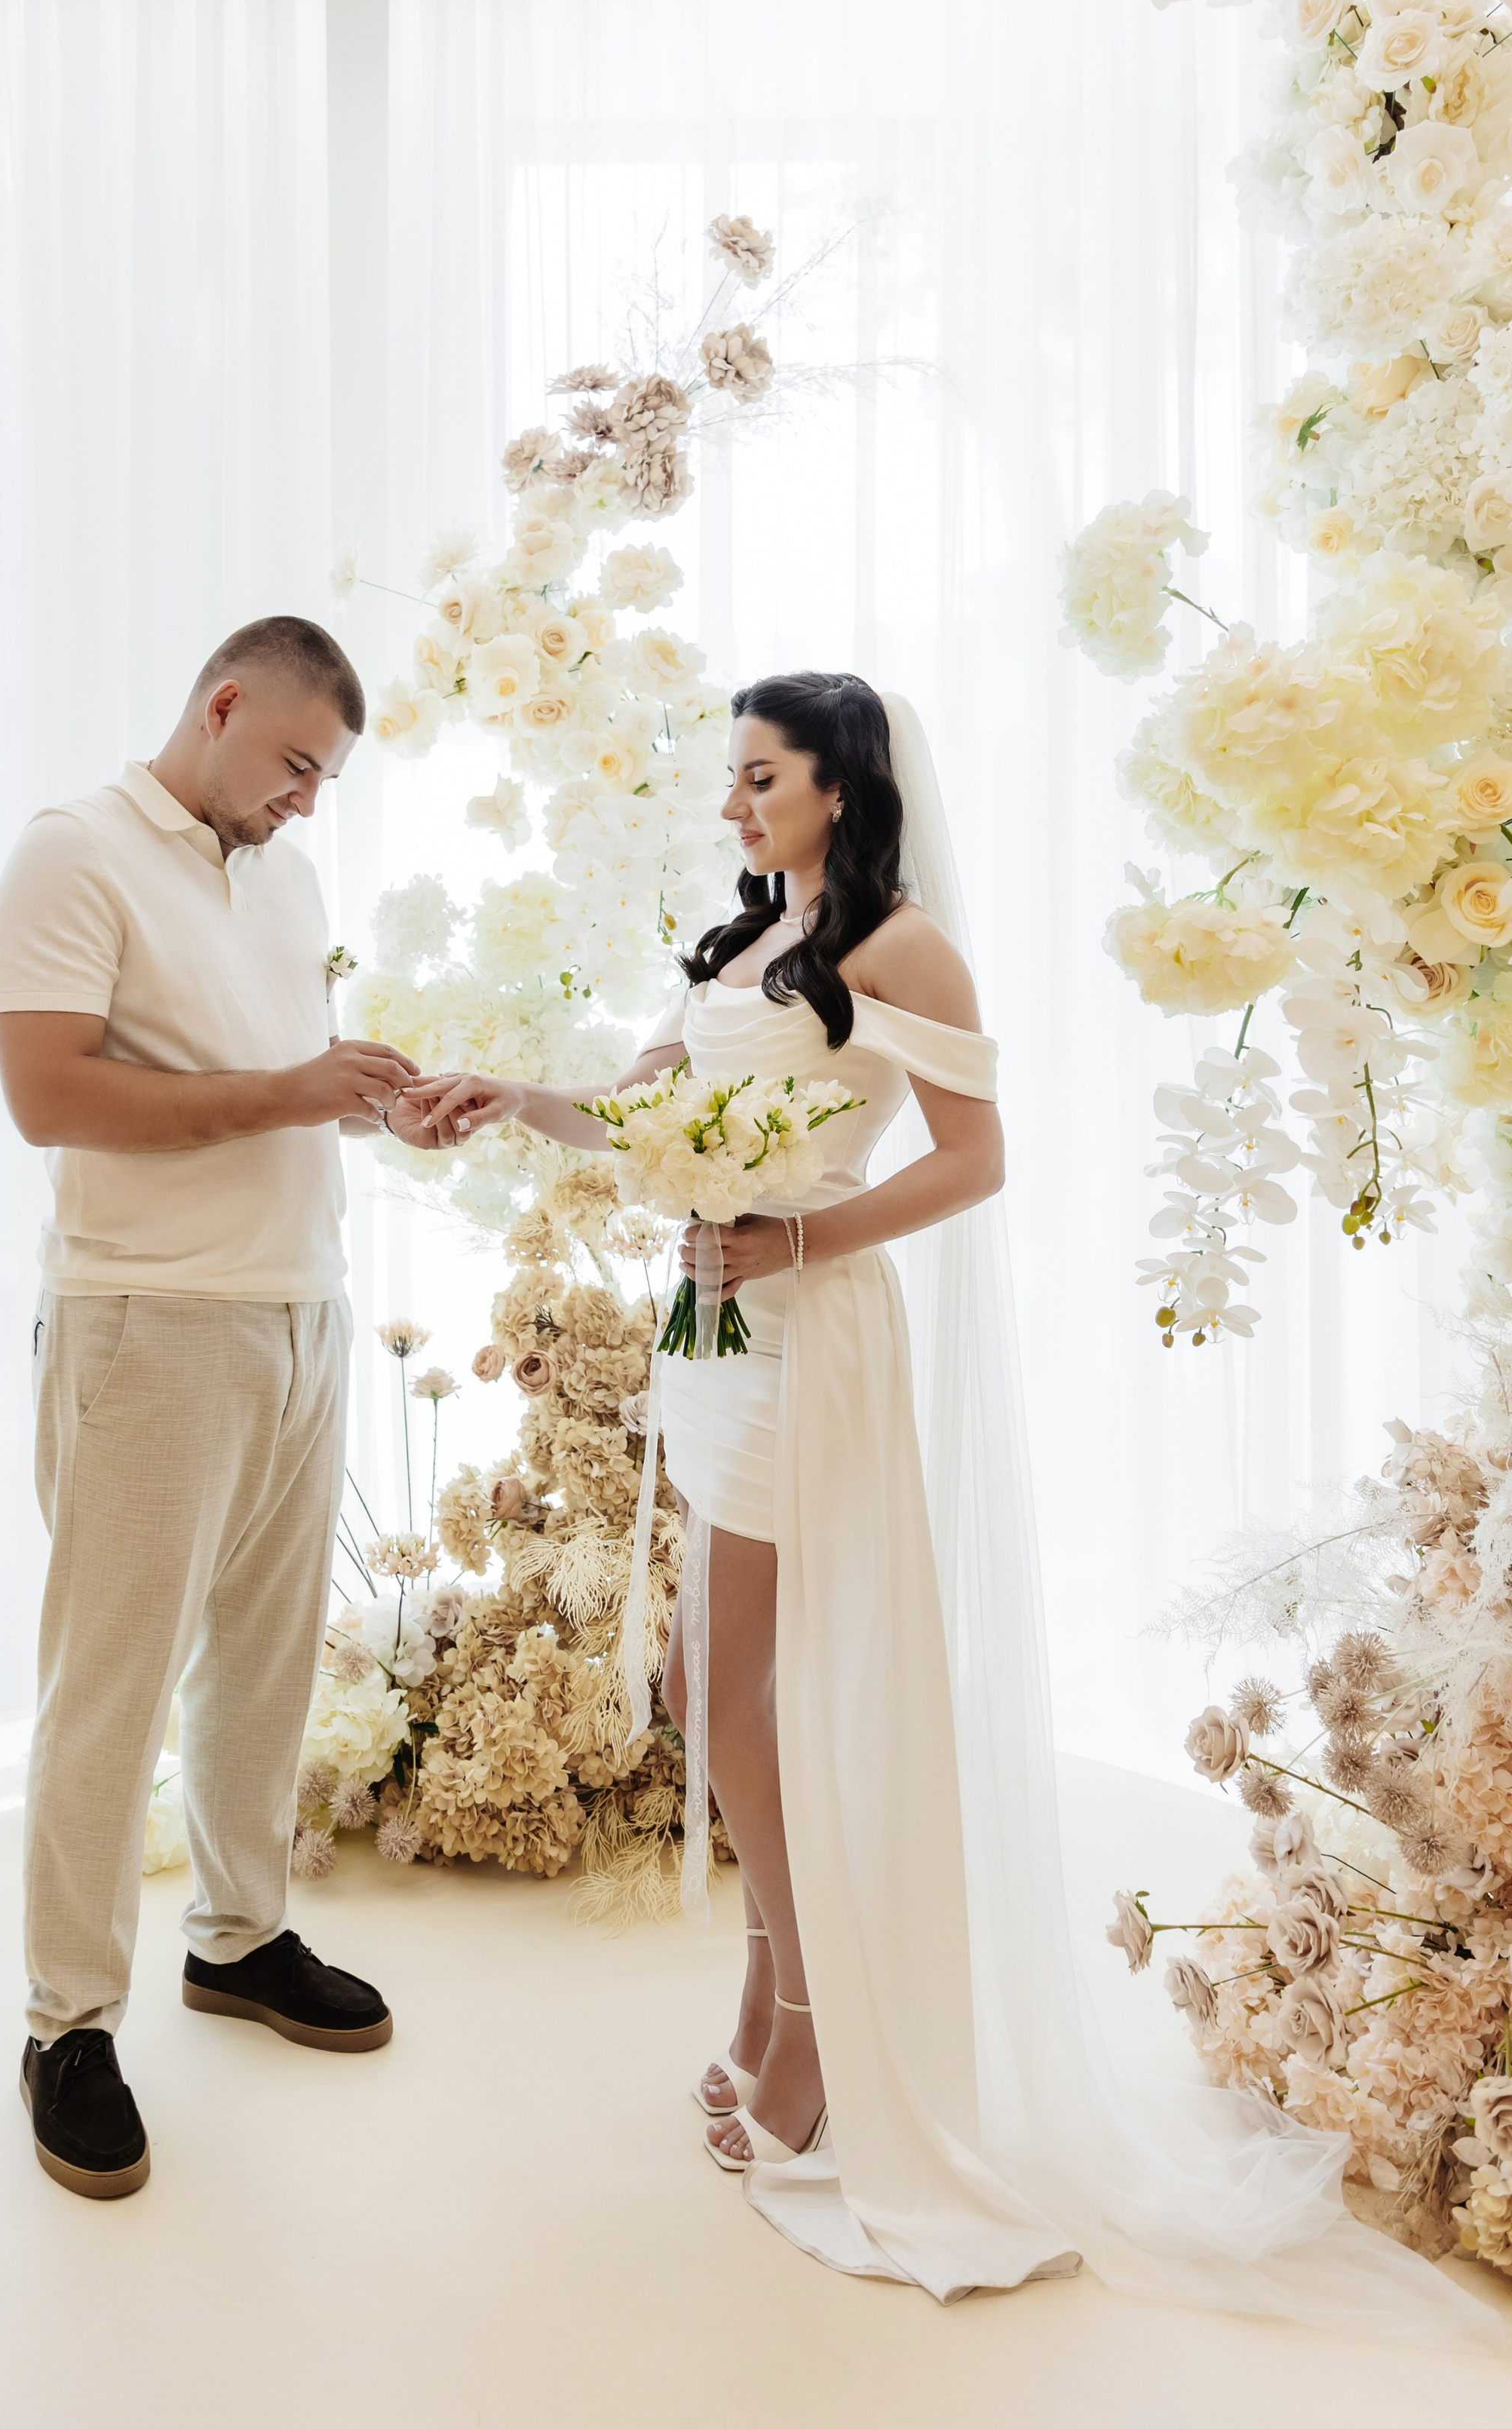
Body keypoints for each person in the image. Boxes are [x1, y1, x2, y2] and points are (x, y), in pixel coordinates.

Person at [403, 671, 1496, 2345]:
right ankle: (776, 1996)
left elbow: (974, 1160)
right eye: (730, 779)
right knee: (713, 1685)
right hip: (716, 1335)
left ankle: (810, 2018)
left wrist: (793, 1237)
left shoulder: (897, 947)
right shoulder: (745, 941)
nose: (731, 804)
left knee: (726, 1686)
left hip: (806, 1335)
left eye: (758, 778)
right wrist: (506, 1094)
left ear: (840, 786)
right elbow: (635, 1119)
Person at [0, 615, 431, 2202]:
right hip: (149, 1320)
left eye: (328, 780)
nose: (308, 800)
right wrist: (288, 1091)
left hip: (301, 1307)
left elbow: (257, 1080)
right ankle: (66, 2024)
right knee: (110, 1684)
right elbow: (48, 1095)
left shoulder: (283, 877)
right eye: (296, 763)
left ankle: (238, 1938)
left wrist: (364, 1099)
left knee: (266, 1657)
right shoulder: (73, 853)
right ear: (222, 705)